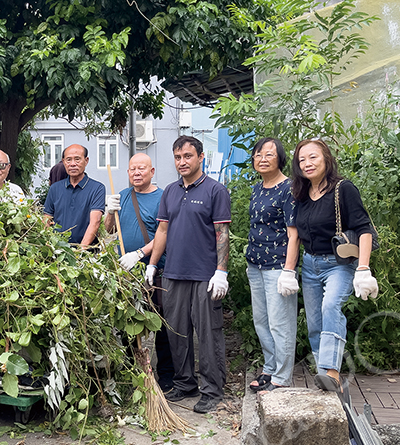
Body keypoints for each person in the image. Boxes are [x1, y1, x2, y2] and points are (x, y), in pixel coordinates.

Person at [147, 136, 231, 414]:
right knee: (177, 333)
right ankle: (185, 383)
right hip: (173, 273)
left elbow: (222, 233)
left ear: (200, 157)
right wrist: (153, 264)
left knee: (207, 334)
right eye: (177, 157)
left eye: (187, 156)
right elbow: (162, 230)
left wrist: (221, 271)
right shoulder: (170, 191)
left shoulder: (215, 190)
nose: (182, 162)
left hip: (205, 275)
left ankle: (212, 389)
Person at [292, 138, 379, 392]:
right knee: (315, 323)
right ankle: (326, 380)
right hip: (310, 264)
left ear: (326, 159)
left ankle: (332, 372)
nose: (307, 163)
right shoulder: (302, 194)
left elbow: (364, 229)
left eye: (313, 157)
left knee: (331, 307)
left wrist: (363, 269)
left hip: (337, 264)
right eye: (302, 160)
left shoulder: (343, 189)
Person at [104, 153, 172, 390]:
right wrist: (109, 211)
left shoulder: (163, 198)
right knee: (128, 324)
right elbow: (109, 229)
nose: (136, 173)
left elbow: (164, 233)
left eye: (141, 168)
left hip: (156, 270)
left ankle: (166, 376)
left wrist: (139, 254)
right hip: (127, 274)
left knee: (160, 323)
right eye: (132, 169)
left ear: (152, 172)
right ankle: (132, 373)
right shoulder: (123, 196)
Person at [245, 138, 299, 393]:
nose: (263, 159)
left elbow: (294, 234)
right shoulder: (258, 188)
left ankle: (281, 377)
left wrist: (289, 271)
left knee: (281, 323)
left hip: (278, 265)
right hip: (255, 264)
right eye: (258, 154)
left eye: (269, 154)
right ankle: (270, 367)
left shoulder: (288, 188)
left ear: (280, 159)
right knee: (262, 322)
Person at [43, 144, 106, 248]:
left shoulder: (97, 188)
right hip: (57, 251)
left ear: (86, 161)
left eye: (77, 159)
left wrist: (80, 251)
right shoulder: (55, 188)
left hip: (86, 252)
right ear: (63, 162)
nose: (72, 164)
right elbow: (46, 219)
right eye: (68, 160)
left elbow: (95, 222)